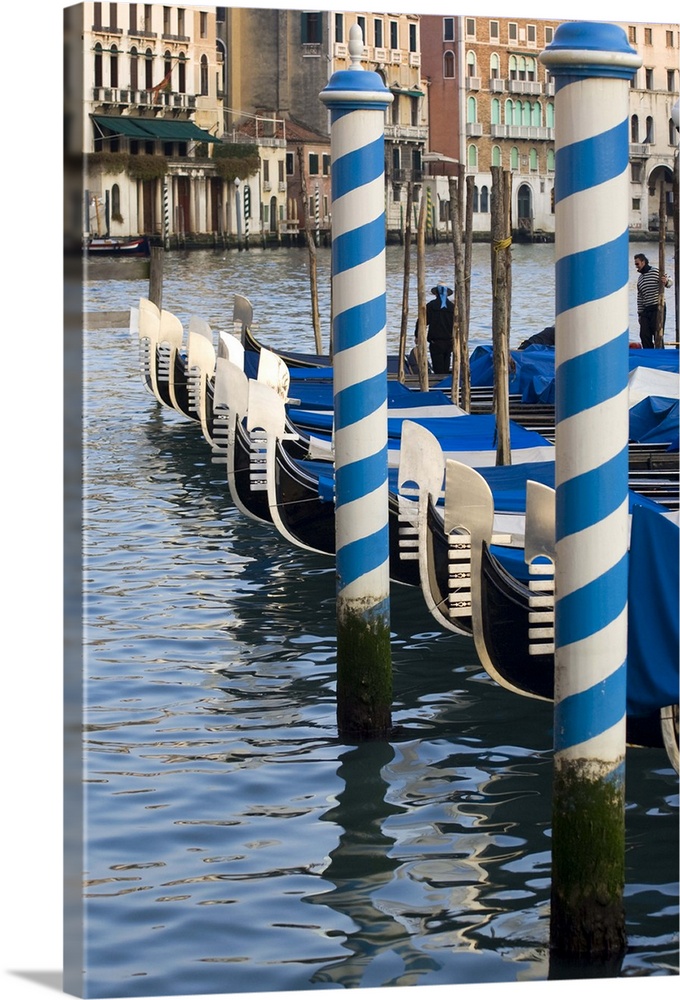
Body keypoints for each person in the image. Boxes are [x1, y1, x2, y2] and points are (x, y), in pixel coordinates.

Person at [634, 253, 673, 348]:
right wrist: (640, 314)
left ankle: (659, 354)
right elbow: (640, 297)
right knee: (644, 335)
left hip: (657, 307)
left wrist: (666, 281)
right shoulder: (640, 279)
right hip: (646, 310)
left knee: (657, 334)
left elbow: (669, 282)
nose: (636, 266)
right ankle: (649, 354)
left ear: (643, 262)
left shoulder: (655, 271)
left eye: (637, 264)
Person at [414, 284, 454, 374]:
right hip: (449, 341)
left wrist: (417, 335)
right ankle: (445, 383)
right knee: (446, 364)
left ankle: (439, 382)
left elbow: (421, 322)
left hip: (435, 342)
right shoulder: (452, 307)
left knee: (437, 367)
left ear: (436, 294)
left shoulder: (431, 306)